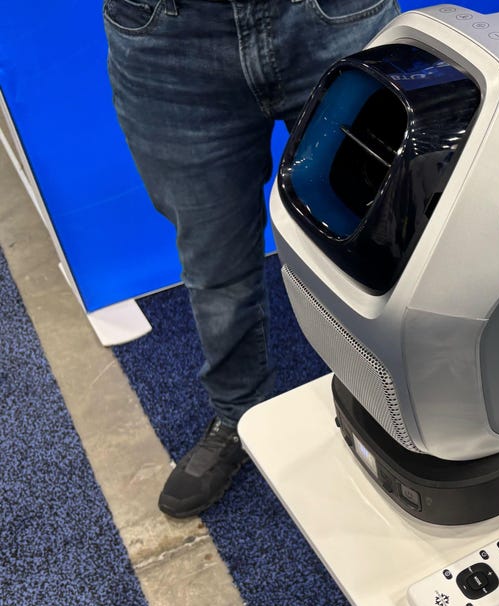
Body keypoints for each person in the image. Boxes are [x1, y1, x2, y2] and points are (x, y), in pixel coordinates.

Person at [104, 0, 400, 517]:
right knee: (212, 261)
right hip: (168, 39)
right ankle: (238, 414)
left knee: (390, 230)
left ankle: (402, 405)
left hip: (334, 17)